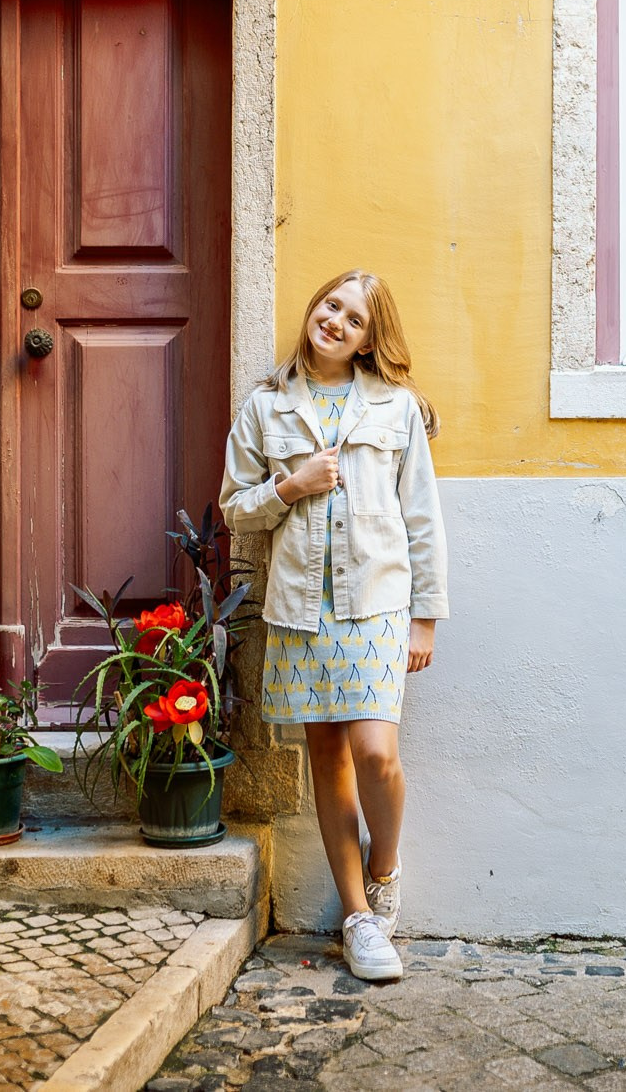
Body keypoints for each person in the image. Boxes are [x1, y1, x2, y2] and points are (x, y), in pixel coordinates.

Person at [219, 270, 447, 982]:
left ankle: (384, 869)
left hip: (375, 602)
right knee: (328, 757)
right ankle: (358, 919)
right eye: (331, 305)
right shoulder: (266, 406)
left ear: (371, 338)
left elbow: (422, 517)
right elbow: (233, 509)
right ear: (313, 308)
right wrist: (291, 485)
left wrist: (425, 619)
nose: (337, 321)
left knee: (377, 753)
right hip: (299, 609)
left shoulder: (396, 406)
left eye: (355, 317)